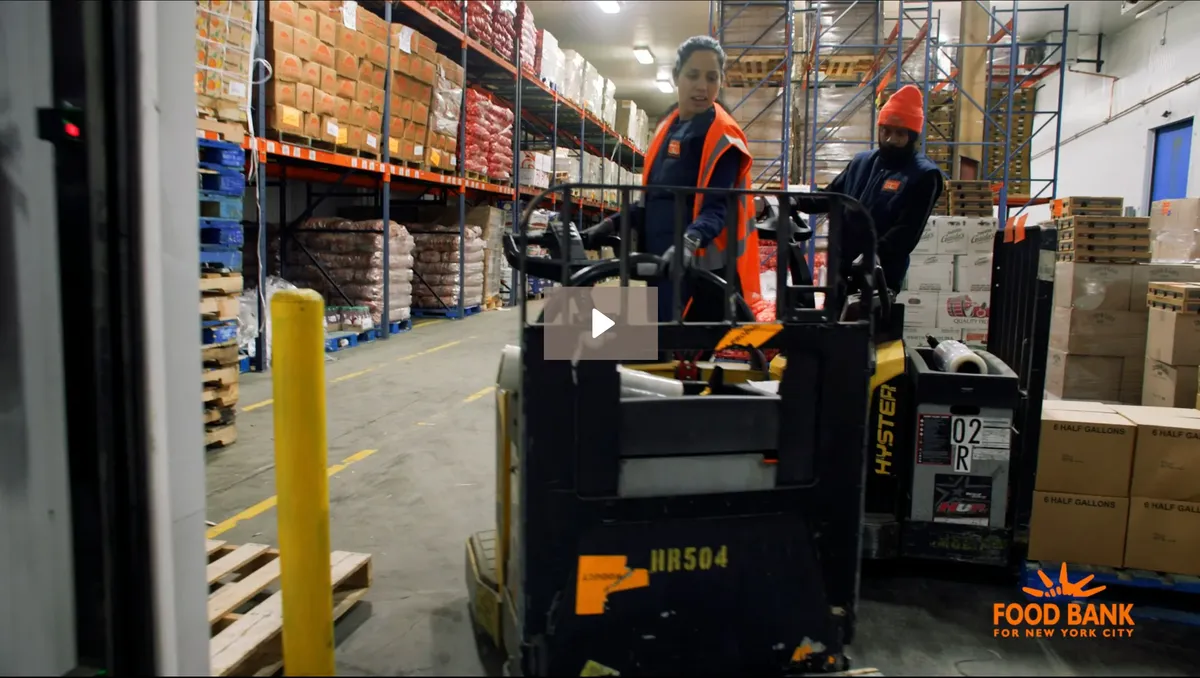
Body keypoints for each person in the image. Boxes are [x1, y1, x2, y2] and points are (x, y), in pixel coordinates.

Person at [580, 36, 766, 323]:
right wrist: (609, 224)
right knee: (577, 330)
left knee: (641, 345)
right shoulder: (668, 128)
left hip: (697, 274)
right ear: (677, 76)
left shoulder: (724, 137)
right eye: (693, 75)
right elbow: (653, 200)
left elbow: (717, 209)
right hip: (658, 263)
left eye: (711, 77)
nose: (702, 86)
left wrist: (688, 244)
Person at [824, 84, 944, 295]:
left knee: (868, 326)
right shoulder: (862, 162)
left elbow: (906, 232)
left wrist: (872, 255)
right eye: (885, 131)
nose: (890, 140)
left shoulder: (923, 175)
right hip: (841, 269)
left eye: (899, 134)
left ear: (912, 136)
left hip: (878, 277)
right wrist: (793, 203)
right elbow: (831, 196)